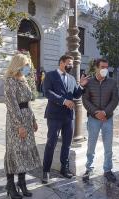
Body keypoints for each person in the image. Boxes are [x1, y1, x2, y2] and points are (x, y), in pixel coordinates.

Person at [42, 55, 89, 183]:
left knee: (67, 144)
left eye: (72, 64)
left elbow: (75, 94)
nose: (71, 66)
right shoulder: (50, 75)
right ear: (61, 62)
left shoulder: (72, 78)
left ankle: (65, 169)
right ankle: (46, 171)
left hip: (68, 116)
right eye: (69, 63)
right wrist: (63, 101)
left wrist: (82, 86)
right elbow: (47, 92)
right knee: (51, 143)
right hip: (54, 116)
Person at [4, 53, 41, 199]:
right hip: (15, 121)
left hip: (27, 118)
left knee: (25, 151)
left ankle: (22, 183)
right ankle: (10, 185)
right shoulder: (10, 81)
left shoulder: (23, 80)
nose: (28, 67)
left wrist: (33, 120)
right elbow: (12, 105)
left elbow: (27, 102)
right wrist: (19, 125)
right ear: (18, 64)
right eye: (26, 64)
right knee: (14, 151)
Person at [82, 58, 119, 183]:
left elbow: (115, 100)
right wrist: (95, 112)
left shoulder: (112, 82)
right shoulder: (89, 82)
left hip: (107, 118)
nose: (105, 69)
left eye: (106, 67)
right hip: (93, 119)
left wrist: (104, 112)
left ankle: (107, 170)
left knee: (108, 146)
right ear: (96, 68)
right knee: (91, 145)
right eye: (102, 67)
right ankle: (89, 168)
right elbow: (85, 100)